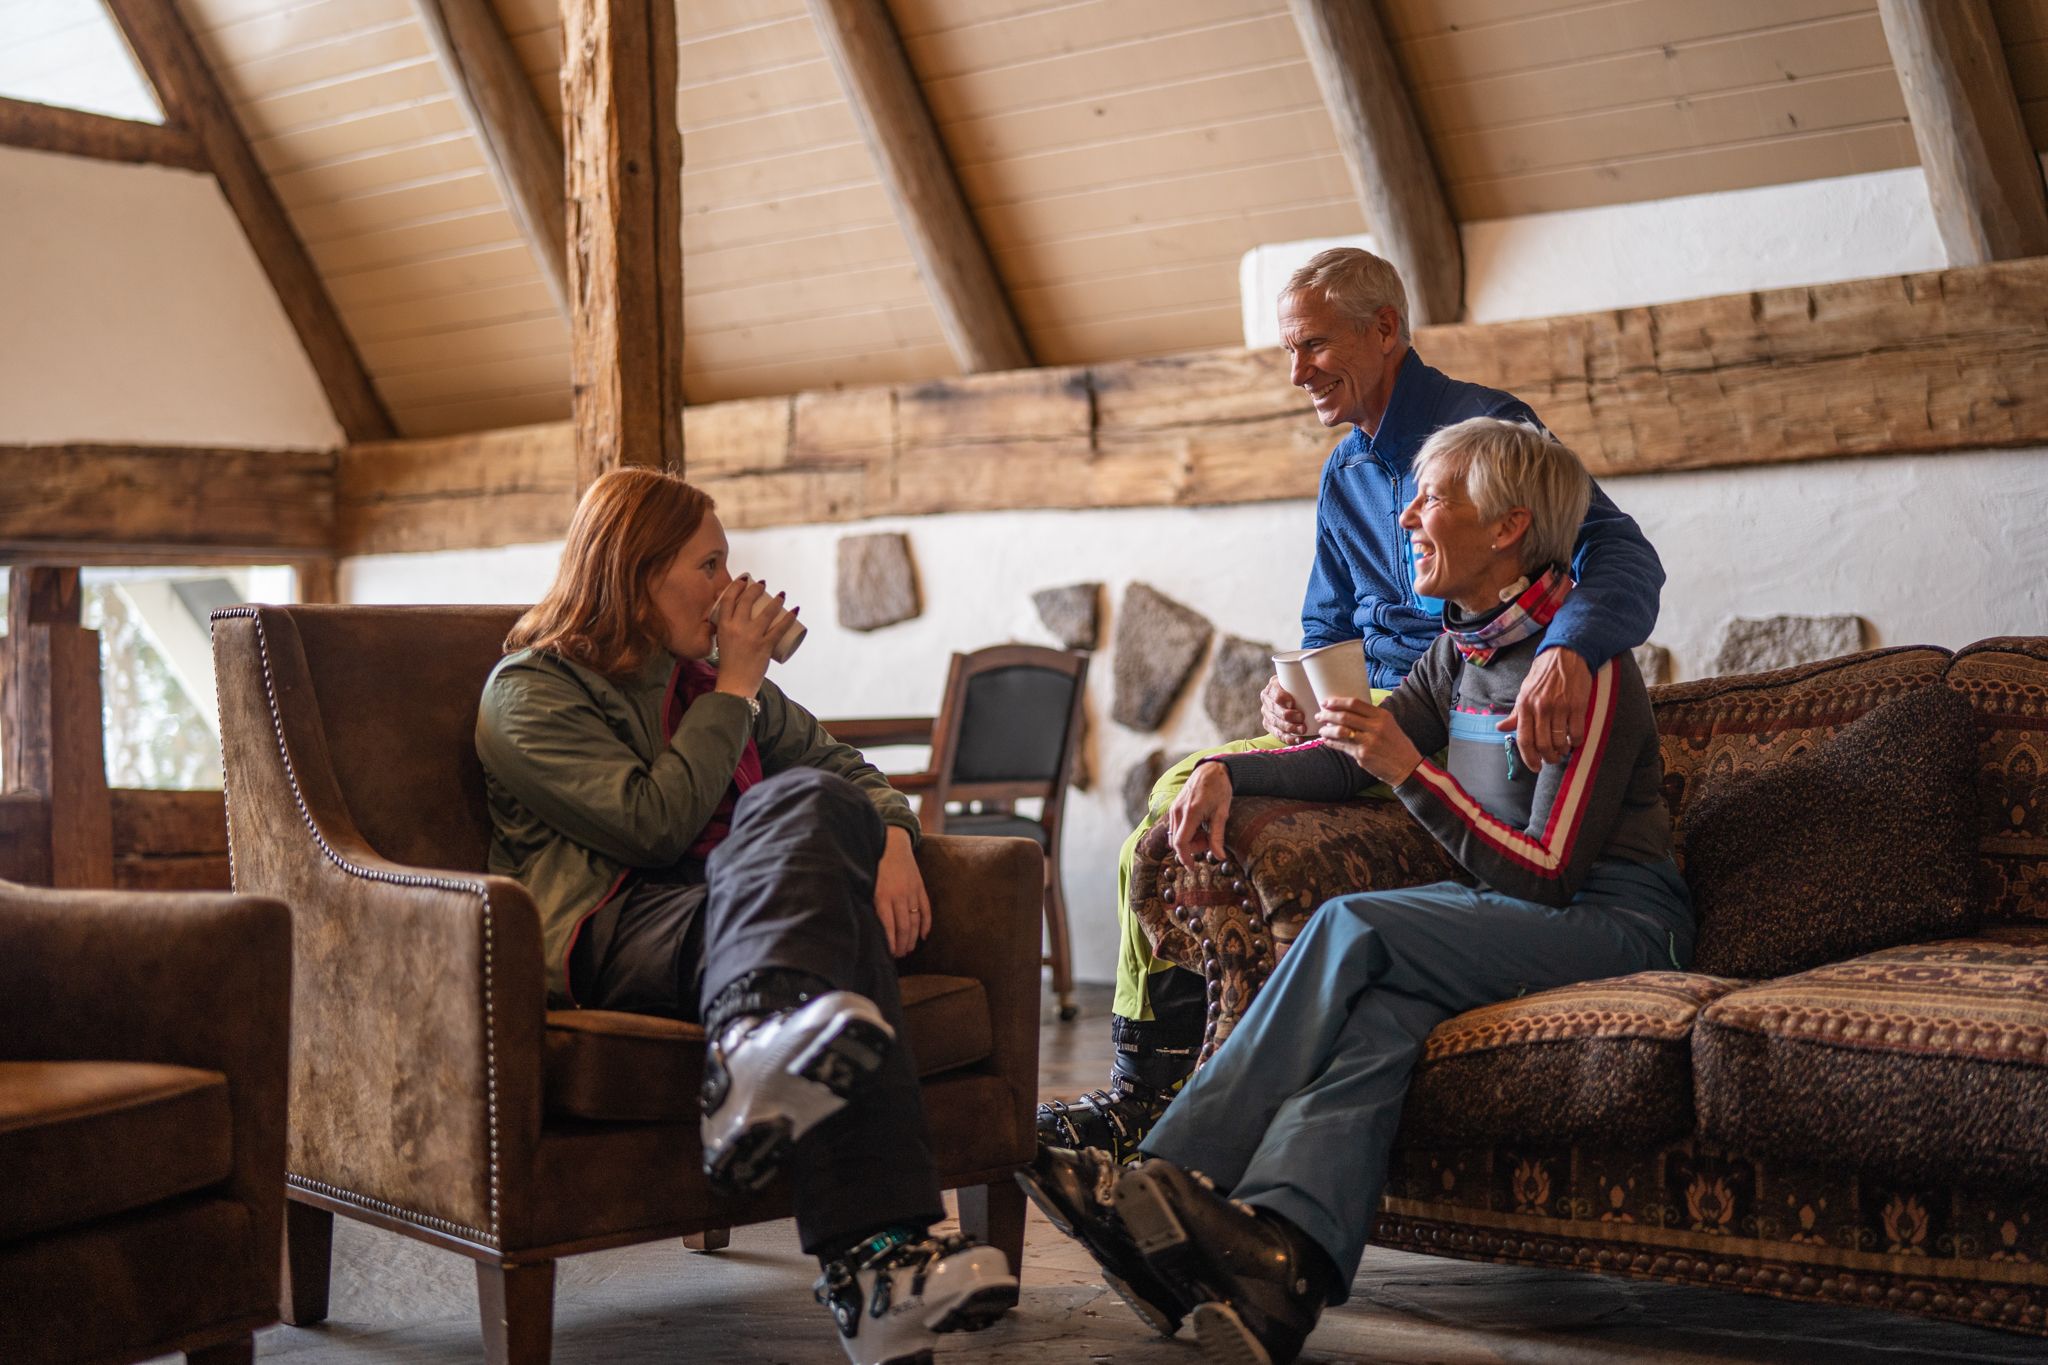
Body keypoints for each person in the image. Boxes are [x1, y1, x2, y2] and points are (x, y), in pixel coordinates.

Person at [1023, 417, 1693, 1364]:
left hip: (1619, 925)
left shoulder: (1583, 675)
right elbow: (1346, 767)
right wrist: (1230, 767)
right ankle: (1279, 1271)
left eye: (1434, 498)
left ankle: (1168, 1166)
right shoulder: (1458, 651)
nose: (1409, 516)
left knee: (1353, 923)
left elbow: (1547, 875)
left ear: (1507, 527)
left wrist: (1415, 772)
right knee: (1380, 1016)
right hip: (1506, 916)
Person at [1039, 247, 1668, 1163]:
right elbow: (1324, 629)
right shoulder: (1343, 472)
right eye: (1288, 352)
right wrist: (1286, 696)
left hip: (1446, 710)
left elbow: (1619, 555)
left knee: (1184, 777)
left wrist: (1567, 649)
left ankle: (1153, 1105)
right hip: (1381, 704)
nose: (1296, 373)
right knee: (1195, 782)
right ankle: (1162, 1102)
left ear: (1385, 331)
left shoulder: (1487, 432)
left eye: (1313, 346)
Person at [474, 468, 1014, 1365]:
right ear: (636, 572)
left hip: (735, 913)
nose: (731, 584)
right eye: (709, 562)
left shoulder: (712, 680)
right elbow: (651, 827)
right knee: (818, 901)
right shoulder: (530, 692)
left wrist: (890, 841)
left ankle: (765, 1063)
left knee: (814, 812)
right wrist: (734, 684)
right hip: (610, 925)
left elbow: (850, 771)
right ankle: (874, 1253)